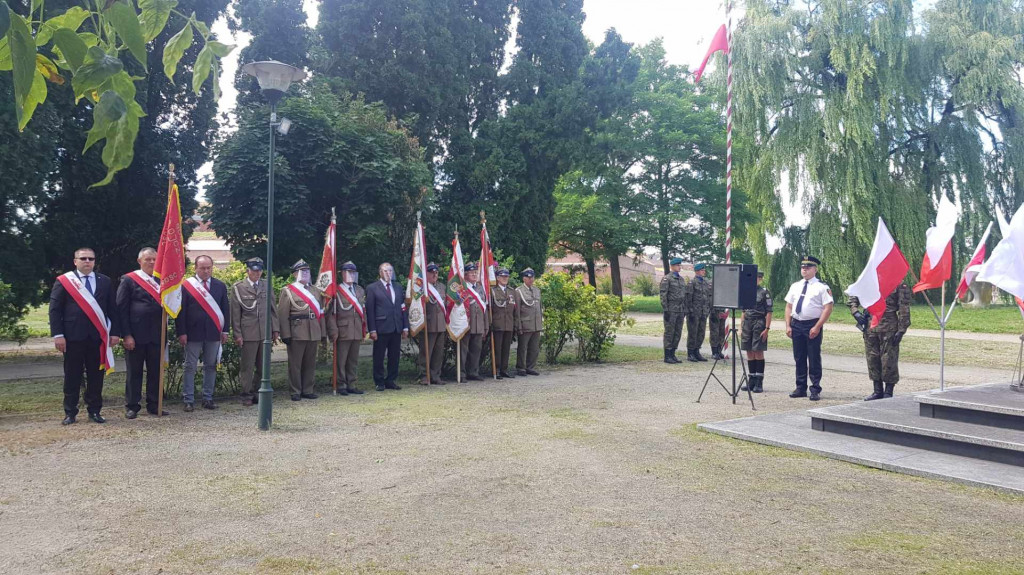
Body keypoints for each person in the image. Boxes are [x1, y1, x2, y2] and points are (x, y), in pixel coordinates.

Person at [50, 247, 121, 425]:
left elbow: (113, 309)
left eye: (90, 259)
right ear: (75, 261)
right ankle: (70, 412)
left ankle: (95, 411)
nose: (87, 261)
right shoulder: (65, 281)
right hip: (72, 338)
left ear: (94, 261)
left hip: (97, 338)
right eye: (83, 259)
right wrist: (58, 335)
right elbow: (55, 309)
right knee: (72, 375)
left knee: (96, 376)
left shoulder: (104, 281)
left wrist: (115, 333)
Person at [116, 247, 166, 418]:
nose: (152, 262)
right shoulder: (129, 280)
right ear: (139, 261)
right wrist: (126, 335)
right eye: (148, 259)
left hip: (157, 334)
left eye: (154, 259)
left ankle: (154, 404)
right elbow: (121, 309)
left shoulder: (162, 280)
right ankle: (132, 405)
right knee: (134, 372)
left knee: (156, 371)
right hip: (135, 336)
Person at [177, 254, 230, 411]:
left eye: (209, 268)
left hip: (214, 332)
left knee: (211, 366)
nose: (206, 271)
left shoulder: (220, 286)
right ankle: (188, 399)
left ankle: (208, 398)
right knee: (190, 366)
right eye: (203, 268)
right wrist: (181, 332)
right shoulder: (187, 286)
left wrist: (225, 330)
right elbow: (181, 311)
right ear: (195, 268)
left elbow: (225, 310)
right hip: (192, 333)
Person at [230, 257, 280, 406]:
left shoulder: (266, 285)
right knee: (248, 366)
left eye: (259, 271)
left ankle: (258, 392)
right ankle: (246, 394)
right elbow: (235, 314)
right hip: (248, 333)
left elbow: (273, 309)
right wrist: (237, 334)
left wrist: (275, 329)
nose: (257, 273)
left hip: (264, 332)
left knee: (263, 366)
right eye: (254, 271)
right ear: (248, 271)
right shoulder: (239, 287)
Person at [848, 283, 911, 400]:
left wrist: (902, 329)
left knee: (889, 360)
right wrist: (855, 311)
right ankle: (877, 391)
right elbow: (854, 294)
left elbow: (904, 307)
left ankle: (888, 392)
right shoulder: (869, 278)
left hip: (889, 326)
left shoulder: (897, 282)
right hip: (870, 325)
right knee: (872, 359)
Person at [784, 256, 834, 401]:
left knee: (813, 357)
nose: (804, 269)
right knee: (799, 357)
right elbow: (789, 306)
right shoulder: (795, 286)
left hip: (812, 324)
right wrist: (788, 325)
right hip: (796, 324)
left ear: (815, 269)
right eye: (803, 267)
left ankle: (815, 388)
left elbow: (828, 308)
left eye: (808, 267)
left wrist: (817, 326)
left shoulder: (822, 287)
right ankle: (800, 387)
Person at [277, 259, 326, 401]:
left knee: (310, 363)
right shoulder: (288, 291)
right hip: (297, 331)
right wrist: (285, 334)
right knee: (295, 364)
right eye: (301, 271)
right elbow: (283, 314)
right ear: (294, 274)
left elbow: (321, 313)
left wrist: (322, 332)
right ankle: (295, 391)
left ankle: (308, 389)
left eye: (307, 271)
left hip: (313, 330)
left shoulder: (316, 291)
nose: (305, 274)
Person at [365, 262, 409, 391]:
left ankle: (391, 380)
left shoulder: (398, 287)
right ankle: (379, 381)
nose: (388, 273)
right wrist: (372, 329)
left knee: (394, 356)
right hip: (381, 327)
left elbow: (402, 308)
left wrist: (405, 327)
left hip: (396, 327)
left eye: (390, 271)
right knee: (378, 356)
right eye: (385, 271)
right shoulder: (372, 288)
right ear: (380, 272)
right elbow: (370, 310)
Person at [327, 261, 366, 395]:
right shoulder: (336, 291)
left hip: (356, 329)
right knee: (341, 360)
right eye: (348, 272)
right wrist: (333, 330)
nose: (351, 275)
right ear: (342, 274)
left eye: (353, 273)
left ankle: (352, 383)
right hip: (342, 330)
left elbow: (363, 311)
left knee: (353, 360)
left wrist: (364, 328)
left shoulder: (359, 290)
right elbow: (330, 314)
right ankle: (341, 384)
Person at [739, 271, 772, 393]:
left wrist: (767, 328)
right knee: (748, 351)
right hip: (747, 323)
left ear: (761, 279)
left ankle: (759, 381)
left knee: (757, 351)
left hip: (759, 323)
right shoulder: (746, 291)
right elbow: (743, 311)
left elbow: (769, 311)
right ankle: (751, 379)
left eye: (758, 278)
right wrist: (741, 327)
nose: (755, 280)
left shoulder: (764, 292)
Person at [416, 263, 448, 385]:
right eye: (431, 273)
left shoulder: (442, 287)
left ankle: (435, 375)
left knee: (438, 353)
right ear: (426, 274)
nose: (434, 275)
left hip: (440, 324)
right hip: (428, 324)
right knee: (426, 352)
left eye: (436, 273)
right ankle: (424, 375)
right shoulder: (421, 287)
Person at [459, 262, 489, 381]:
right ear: (465, 275)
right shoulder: (462, 288)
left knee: (476, 350)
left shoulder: (480, 288)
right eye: (471, 273)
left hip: (478, 324)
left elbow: (485, 308)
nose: (474, 275)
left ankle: (473, 372)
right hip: (466, 324)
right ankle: (461, 373)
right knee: (463, 350)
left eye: (475, 272)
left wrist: (485, 326)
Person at [514, 268, 543, 376]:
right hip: (525, 323)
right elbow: (517, 311)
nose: (531, 280)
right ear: (524, 278)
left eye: (532, 277)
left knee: (534, 348)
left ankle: (530, 367)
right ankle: (521, 367)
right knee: (523, 347)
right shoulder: (519, 291)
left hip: (536, 323)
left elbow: (539, 307)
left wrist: (540, 321)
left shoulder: (537, 290)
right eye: (528, 277)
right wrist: (518, 325)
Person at [660, 257, 687, 364]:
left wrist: (684, 309)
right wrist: (665, 309)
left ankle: (673, 353)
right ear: (672, 266)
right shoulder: (667, 279)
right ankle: (667, 355)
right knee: (669, 332)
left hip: (680, 310)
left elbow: (683, 296)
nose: (679, 267)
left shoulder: (681, 279)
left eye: (680, 265)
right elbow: (663, 295)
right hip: (671, 310)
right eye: (677, 265)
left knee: (677, 332)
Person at [490, 268, 516, 378]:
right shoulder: (493, 291)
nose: (505, 278)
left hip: (509, 323)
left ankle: (504, 370)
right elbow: (489, 308)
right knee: (497, 349)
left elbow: (515, 309)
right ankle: (496, 369)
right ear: (497, 278)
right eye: (503, 276)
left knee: (506, 348)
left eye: (506, 277)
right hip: (498, 324)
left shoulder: (511, 291)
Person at [684, 263, 712, 362]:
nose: (704, 271)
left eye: (704, 270)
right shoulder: (692, 283)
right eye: (702, 270)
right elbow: (688, 299)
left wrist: (707, 309)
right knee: (693, 332)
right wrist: (690, 311)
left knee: (701, 333)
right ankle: (690, 353)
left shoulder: (705, 283)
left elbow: (708, 297)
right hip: (694, 313)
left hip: (703, 312)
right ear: (697, 271)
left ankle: (697, 351)